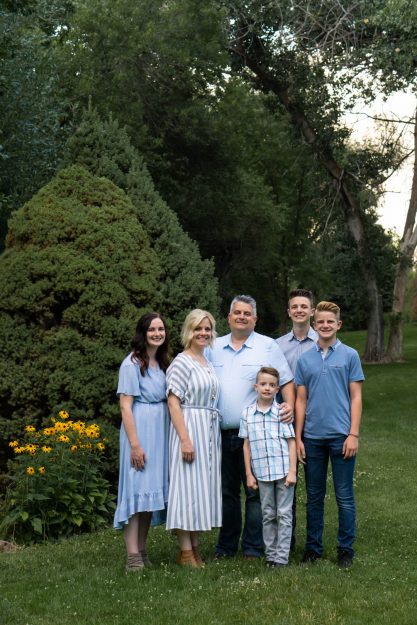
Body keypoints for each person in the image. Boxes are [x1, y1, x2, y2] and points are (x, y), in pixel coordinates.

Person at [209, 294, 295, 559]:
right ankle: (226, 546)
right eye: (237, 312)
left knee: (256, 491)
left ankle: (253, 547)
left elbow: (287, 381)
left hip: (258, 435)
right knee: (227, 492)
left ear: (255, 319)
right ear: (229, 317)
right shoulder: (214, 346)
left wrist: (288, 406)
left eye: (247, 313)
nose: (242, 317)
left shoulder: (267, 346)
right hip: (221, 432)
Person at [295, 301, 364, 569]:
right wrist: (299, 438)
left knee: (344, 496)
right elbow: (301, 400)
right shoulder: (305, 359)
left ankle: (345, 549)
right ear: (314, 325)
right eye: (320, 322)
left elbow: (356, 397)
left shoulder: (350, 355)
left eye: (330, 322)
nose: (325, 325)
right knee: (314, 497)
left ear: (338, 324)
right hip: (312, 438)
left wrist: (353, 434)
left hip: (341, 437)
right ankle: (313, 549)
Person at [114, 312, 170, 572]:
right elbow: (125, 407)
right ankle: (132, 556)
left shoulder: (161, 362)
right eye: (152, 330)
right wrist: (135, 444)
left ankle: (143, 550)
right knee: (136, 493)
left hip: (159, 431)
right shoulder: (131, 364)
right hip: (139, 432)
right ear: (143, 333)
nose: (157, 333)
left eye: (161, 329)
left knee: (149, 496)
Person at [166, 309, 221, 567]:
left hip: (208, 430)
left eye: (207, 329)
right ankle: (185, 552)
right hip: (189, 428)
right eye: (198, 328)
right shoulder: (182, 361)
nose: (203, 333)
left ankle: (196, 549)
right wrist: (185, 439)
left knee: (201, 489)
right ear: (189, 331)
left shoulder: (206, 361)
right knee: (187, 489)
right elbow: (173, 402)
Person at [239, 367, 296, 568]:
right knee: (268, 513)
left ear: (277, 389)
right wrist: (248, 474)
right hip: (261, 473)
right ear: (256, 386)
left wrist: (292, 472)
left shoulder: (281, 412)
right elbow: (246, 445)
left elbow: (291, 442)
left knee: (284, 514)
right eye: (263, 384)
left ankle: (281, 557)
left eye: (272, 385)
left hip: (283, 472)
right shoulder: (247, 414)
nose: (267, 388)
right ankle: (270, 555)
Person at [276, 288, 317, 549]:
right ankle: (285, 543)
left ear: (312, 310)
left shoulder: (322, 341)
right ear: (289, 311)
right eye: (295, 306)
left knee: (314, 490)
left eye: (304, 306)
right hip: (283, 421)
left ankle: (313, 546)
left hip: (314, 422)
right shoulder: (277, 345)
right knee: (285, 487)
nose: (299, 310)